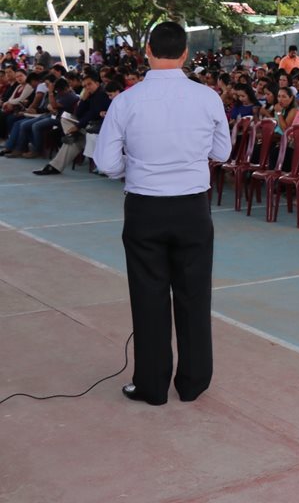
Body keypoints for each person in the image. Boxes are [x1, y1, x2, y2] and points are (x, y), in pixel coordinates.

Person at [92, 23, 231, 406]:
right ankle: (193, 382)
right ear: (185, 53)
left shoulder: (126, 101)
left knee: (149, 296)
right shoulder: (208, 98)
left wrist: (134, 167)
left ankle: (152, 386)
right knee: (194, 295)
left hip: (145, 208)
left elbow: (105, 163)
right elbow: (222, 153)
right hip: (192, 208)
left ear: (148, 51)